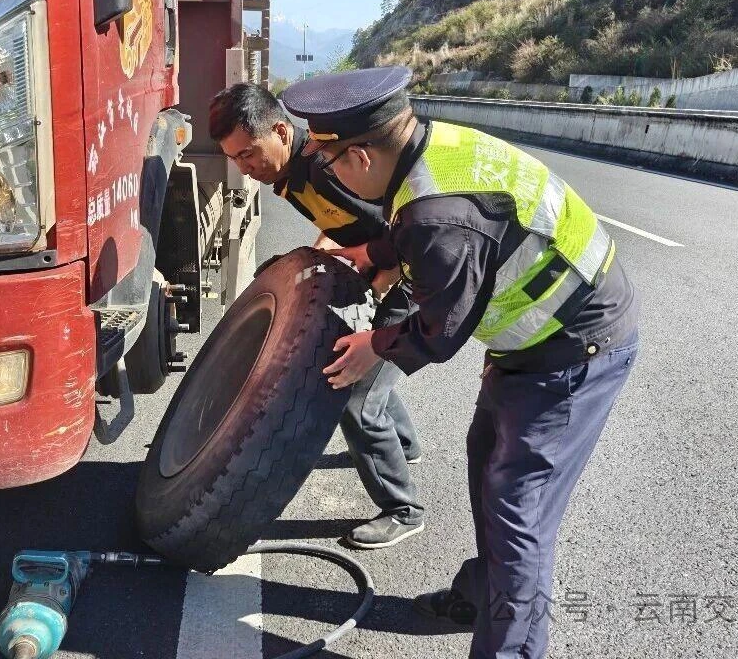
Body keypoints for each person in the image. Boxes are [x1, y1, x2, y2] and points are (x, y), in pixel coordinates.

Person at [280, 66, 640, 659]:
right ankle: (481, 598)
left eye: (330, 161)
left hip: (574, 350)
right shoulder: (428, 150)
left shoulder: (437, 217)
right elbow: (414, 225)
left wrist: (374, 346)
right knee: (486, 466)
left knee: (518, 512)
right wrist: (370, 252)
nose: (328, 173)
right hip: (532, 347)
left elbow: (440, 329)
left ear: (362, 157)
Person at [208, 82, 426, 549]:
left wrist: (378, 289)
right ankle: (404, 446)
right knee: (372, 373)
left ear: (281, 132)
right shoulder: (291, 174)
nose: (243, 168)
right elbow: (343, 224)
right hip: (389, 264)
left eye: (248, 154)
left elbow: (403, 230)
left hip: (414, 274)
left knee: (355, 389)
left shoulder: (326, 168)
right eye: (233, 158)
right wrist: (320, 252)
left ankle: (403, 510)